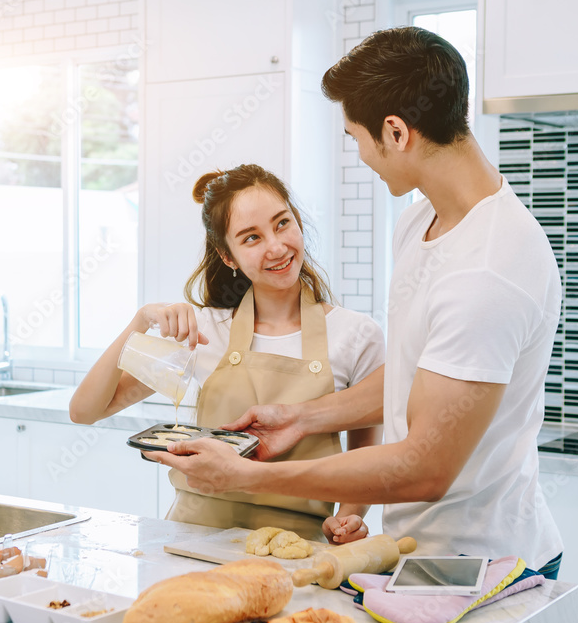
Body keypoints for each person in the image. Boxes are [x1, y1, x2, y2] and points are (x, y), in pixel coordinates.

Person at [152, 27, 564, 579]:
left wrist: (246, 477)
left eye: (356, 137)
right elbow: (420, 376)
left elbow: (425, 468)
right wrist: (300, 418)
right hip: (418, 549)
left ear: (395, 132)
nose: (361, 153)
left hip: (485, 566)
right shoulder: (421, 220)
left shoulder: (489, 270)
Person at [69, 164, 386, 543]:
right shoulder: (205, 332)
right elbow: (86, 410)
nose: (276, 246)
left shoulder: (356, 335)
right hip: (192, 540)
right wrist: (140, 322)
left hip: (295, 548)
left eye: (282, 223)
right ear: (228, 256)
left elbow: (365, 458)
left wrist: (349, 517)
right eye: (251, 238)